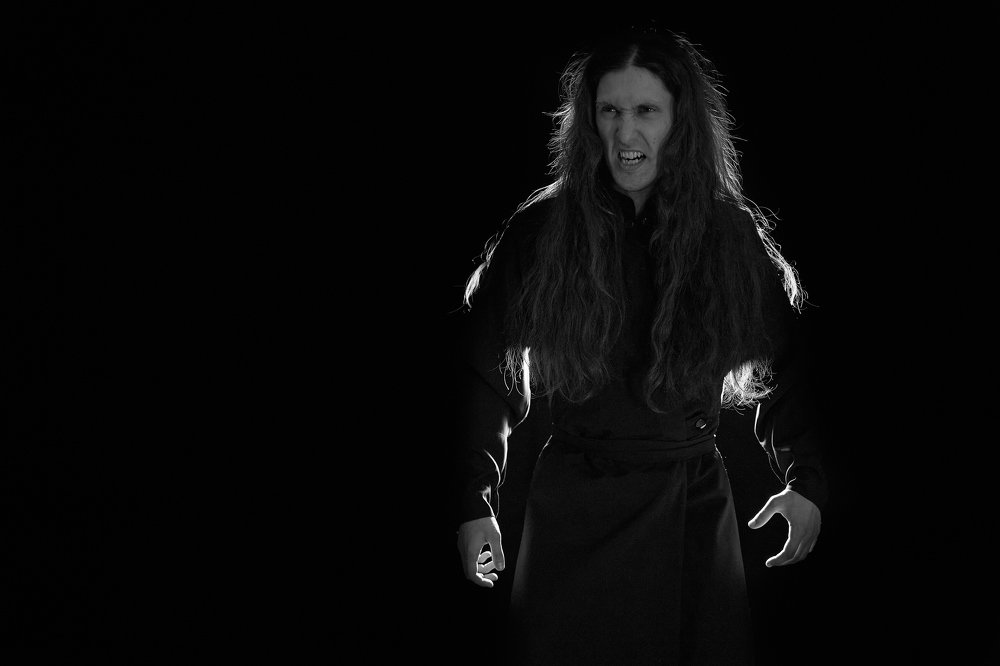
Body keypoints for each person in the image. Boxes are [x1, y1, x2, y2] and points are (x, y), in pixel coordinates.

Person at [450, 26, 827, 665]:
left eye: (646, 110)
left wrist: (808, 483)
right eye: (610, 111)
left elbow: (789, 368)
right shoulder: (542, 230)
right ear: (589, 121)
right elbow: (486, 374)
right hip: (574, 508)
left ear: (680, 120)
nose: (626, 133)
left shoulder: (728, 233)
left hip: (691, 505)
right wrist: (471, 502)